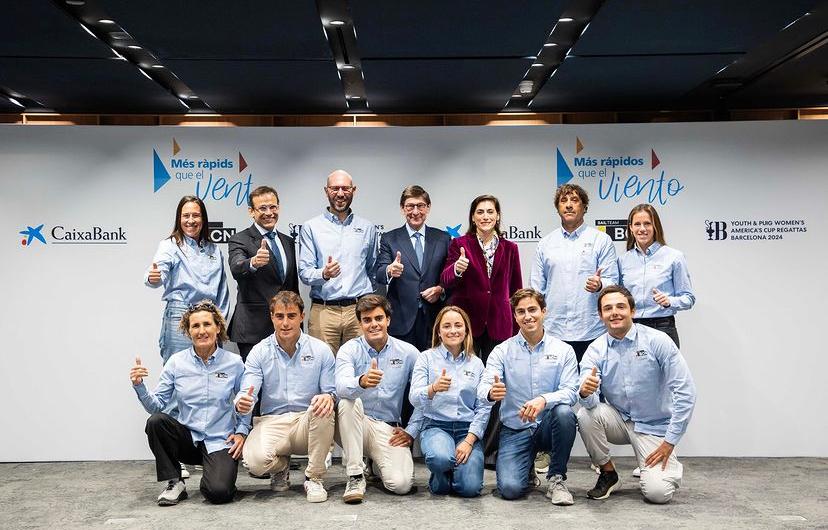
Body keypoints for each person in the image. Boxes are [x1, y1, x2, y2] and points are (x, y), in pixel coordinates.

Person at [577, 285, 696, 504]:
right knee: (586, 414)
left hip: (654, 426)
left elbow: (686, 392)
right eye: (608, 308)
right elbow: (590, 401)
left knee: (658, 494)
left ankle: (664, 467)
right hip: (619, 420)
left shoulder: (657, 340)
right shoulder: (595, 349)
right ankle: (608, 473)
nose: (614, 312)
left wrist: (670, 441)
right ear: (600, 315)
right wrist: (586, 391)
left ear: (632, 311)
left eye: (621, 306)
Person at [129, 300, 247, 506]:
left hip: (220, 441)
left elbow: (246, 402)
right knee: (156, 421)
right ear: (188, 331)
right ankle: (175, 482)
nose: (202, 331)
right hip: (188, 439)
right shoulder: (176, 362)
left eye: (207, 324)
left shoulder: (234, 363)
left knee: (219, 493)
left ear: (218, 327)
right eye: (195, 326)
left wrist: (242, 432)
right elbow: (156, 406)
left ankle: (216, 475)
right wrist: (139, 385)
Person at [477, 289, 578, 504]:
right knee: (511, 490)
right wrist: (489, 392)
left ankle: (556, 479)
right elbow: (483, 385)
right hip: (515, 429)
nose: (527, 316)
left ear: (544, 312)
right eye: (521, 312)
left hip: (548, 426)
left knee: (564, 413)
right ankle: (527, 470)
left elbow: (571, 392)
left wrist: (544, 400)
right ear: (514, 316)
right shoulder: (502, 351)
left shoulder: (564, 350)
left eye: (532, 310)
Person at [234, 291, 336, 503]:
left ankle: (314, 478)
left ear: (302, 316)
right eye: (279, 316)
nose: (285, 323)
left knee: (323, 404)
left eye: (291, 316)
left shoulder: (321, 350)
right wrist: (243, 402)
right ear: (271, 317)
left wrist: (328, 397)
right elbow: (248, 390)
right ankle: (281, 467)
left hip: (306, 422)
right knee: (254, 463)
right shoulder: (259, 352)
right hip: (273, 422)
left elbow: (331, 391)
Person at [334, 295, 422, 503]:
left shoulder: (409, 353)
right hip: (356, 424)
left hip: (387, 428)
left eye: (378, 318)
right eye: (367, 320)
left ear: (388, 320)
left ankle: (372, 463)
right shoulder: (349, 350)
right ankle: (355, 475)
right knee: (348, 400)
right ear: (360, 323)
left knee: (401, 485)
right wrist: (362, 382)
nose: (373, 324)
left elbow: (423, 396)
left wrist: (411, 431)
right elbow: (340, 387)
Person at [530, 184, 618, 363]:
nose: (568, 205)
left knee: (592, 388)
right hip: (554, 331)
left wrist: (600, 285)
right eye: (563, 201)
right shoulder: (545, 244)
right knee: (557, 389)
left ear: (585, 207)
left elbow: (613, 283)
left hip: (592, 331)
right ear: (558, 208)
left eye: (574, 200)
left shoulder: (601, 241)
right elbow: (537, 290)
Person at [409, 306, 491, 497]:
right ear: (439, 331)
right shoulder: (426, 358)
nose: (453, 330)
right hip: (436, 426)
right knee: (440, 458)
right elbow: (414, 397)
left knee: (470, 489)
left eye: (458, 325)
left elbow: (483, 407)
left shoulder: (476, 363)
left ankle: (455, 473)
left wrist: (469, 441)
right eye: (447, 326)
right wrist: (433, 388)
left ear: (466, 330)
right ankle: (441, 474)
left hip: (466, 430)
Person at [298, 170, 378, 353]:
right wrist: (323, 274)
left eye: (345, 188)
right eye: (335, 188)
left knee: (361, 367)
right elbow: (304, 272)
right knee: (322, 369)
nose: (340, 193)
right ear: (326, 191)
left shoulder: (367, 228)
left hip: (359, 311)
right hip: (325, 312)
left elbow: (372, 269)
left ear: (353, 190)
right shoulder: (311, 227)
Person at [144, 196, 229, 364]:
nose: (191, 220)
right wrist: (153, 277)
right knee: (179, 372)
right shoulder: (170, 245)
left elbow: (222, 290)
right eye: (186, 216)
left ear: (203, 219)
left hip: (210, 316)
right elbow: (158, 271)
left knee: (210, 371)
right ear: (179, 219)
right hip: (180, 314)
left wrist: (221, 322)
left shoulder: (214, 249)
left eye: (196, 215)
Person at [440, 194, 522, 359]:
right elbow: (445, 280)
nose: (485, 217)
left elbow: (516, 289)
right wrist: (456, 268)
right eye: (480, 212)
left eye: (490, 212)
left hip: (500, 324)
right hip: (468, 323)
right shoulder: (460, 244)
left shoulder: (510, 248)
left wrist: (516, 326)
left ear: (497, 216)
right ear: (473, 217)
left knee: (496, 377)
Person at [375, 185, 450, 352]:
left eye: (420, 206)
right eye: (410, 206)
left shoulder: (443, 238)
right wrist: (389, 270)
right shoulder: (390, 238)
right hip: (401, 320)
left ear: (428, 208)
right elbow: (379, 273)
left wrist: (440, 289)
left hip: (434, 320)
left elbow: (449, 276)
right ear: (403, 208)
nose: (415, 211)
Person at [228, 186, 299, 361]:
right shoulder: (239, 239)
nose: (269, 213)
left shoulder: (288, 241)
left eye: (273, 207)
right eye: (262, 208)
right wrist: (253, 262)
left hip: (285, 328)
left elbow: (291, 286)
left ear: (278, 208)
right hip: (253, 330)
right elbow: (236, 267)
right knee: (255, 386)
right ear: (251, 212)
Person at [618, 203, 695, 347]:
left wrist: (669, 301)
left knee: (667, 370)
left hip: (663, 326)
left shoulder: (674, 257)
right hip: (631, 327)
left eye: (647, 224)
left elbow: (688, 298)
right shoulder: (623, 260)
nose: (642, 229)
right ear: (630, 228)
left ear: (655, 227)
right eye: (637, 224)